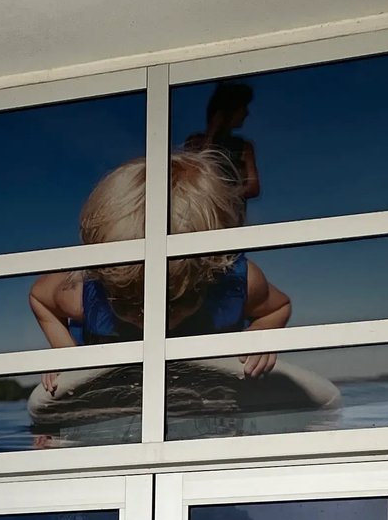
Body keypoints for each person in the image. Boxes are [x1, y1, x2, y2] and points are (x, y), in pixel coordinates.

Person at [28, 151, 293, 382]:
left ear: (209, 276)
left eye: (172, 304)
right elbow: (39, 297)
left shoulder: (235, 284)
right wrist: (66, 353)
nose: (149, 321)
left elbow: (278, 307)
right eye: (127, 303)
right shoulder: (84, 293)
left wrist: (260, 334)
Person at [183, 79, 260, 207]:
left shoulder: (244, 147)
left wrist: (223, 193)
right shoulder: (195, 142)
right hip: (205, 214)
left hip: (232, 218)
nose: (246, 113)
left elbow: (253, 187)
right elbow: (194, 176)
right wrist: (211, 133)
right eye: (243, 107)